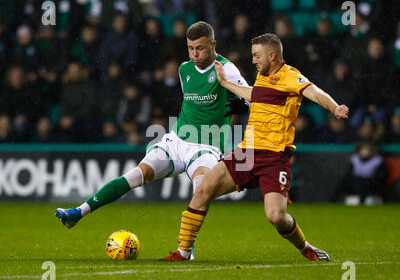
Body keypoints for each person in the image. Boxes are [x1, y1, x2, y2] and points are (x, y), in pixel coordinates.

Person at [162, 33, 349, 262]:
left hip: (274, 157)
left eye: (256, 55)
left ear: (272, 55)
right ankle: (183, 252)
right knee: (203, 189)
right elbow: (255, 94)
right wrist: (225, 84)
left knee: (276, 216)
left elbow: (314, 92)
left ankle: (305, 247)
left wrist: (334, 107)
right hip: (247, 152)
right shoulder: (262, 75)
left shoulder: (290, 76)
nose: (253, 60)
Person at [55, 22, 250, 241]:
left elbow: (252, 97)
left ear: (213, 44)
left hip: (207, 145)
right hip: (176, 140)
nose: (195, 53)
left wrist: (243, 103)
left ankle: (186, 247)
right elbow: (190, 103)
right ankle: (78, 212)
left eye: (201, 48)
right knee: (137, 175)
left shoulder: (227, 69)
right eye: (190, 48)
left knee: (200, 190)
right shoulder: (184, 69)